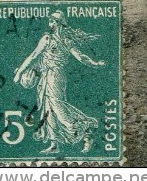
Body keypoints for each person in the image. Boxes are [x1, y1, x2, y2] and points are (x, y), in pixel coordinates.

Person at [13, 11, 106, 154]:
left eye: (52, 22)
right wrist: (20, 72)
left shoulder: (64, 40)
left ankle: (86, 128)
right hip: (46, 74)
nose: (50, 24)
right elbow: (33, 56)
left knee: (57, 105)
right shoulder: (47, 38)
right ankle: (54, 144)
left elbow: (80, 56)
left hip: (56, 75)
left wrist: (94, 63)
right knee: (47, 108)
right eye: (50, 22)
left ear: (58, 23)